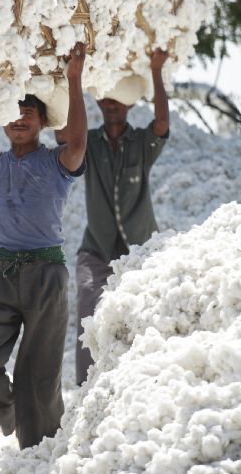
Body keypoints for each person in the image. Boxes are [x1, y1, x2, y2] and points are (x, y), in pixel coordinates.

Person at [0, 43, 87, 449]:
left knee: (39, 378)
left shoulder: (56, 163)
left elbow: (77, 145)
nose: (21, 117)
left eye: (30, 111)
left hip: (45, 275)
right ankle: (17, 415)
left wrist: (74, 81)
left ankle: (41, 452)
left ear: (42, 121)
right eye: (15, 111)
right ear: (3, 121)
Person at [72, 48, 170, 385]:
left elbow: (161, 123)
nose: (111, 103)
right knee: (88, 305)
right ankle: (87, 387)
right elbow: (64, 137)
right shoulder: (89, 144)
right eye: (106, 98)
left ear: (129, 104)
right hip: (96, 248)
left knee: (140, 317)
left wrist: (156, 70)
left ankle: (139, 382)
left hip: (140, 251)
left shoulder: (141, 144)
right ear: (99, 103)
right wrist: (72, 79)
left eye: (119, 98)